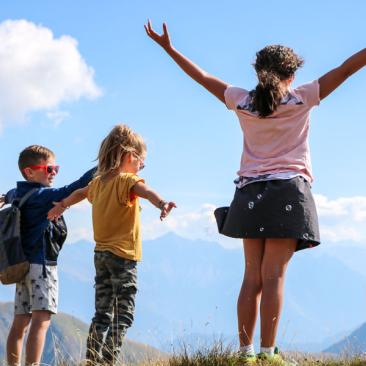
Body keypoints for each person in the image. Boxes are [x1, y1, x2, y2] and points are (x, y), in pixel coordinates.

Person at [144, 20, 366, 363]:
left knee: (251, 276)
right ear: (290, 75)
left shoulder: (242, 101)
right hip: (288, 193)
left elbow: (202, 77)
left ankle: (245, 353)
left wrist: (169, 49)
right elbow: (347, 68)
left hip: (249, 195)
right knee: (274, 276)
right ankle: (267, 354)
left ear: (258, 71)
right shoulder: (302, 97)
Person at [47, 124, 176, 364]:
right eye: (142, 162)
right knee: (124, 316)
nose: (141, 167)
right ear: (130, 156)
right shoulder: (127, 180)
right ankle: (107, 360)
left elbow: (79, 194)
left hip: (101, 256)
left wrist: (61, 205)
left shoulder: (97, 183)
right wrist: (162, 203)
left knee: (102, 314)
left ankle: (92, 360)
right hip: (124, 257)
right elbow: (145, 190)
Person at [2, 144, 94, 365]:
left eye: (55, 169)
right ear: (29, 172)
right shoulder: (43, 196)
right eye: (48, 169)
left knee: (20, 323)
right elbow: (79, 185)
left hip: (22, 267)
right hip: (42, 267)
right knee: (41, 321)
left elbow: (8, 195)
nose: (53, 174)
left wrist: (5, 197)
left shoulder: (16, 193)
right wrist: (106, 162)